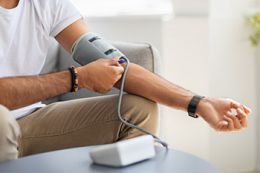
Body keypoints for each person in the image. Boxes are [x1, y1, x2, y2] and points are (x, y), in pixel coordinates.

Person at [0, 0, 251, 162]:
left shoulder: (47, 3)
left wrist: (199, 103)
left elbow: (117, 65)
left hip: (30, 122)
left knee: (138, 110)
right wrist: (76, 78)